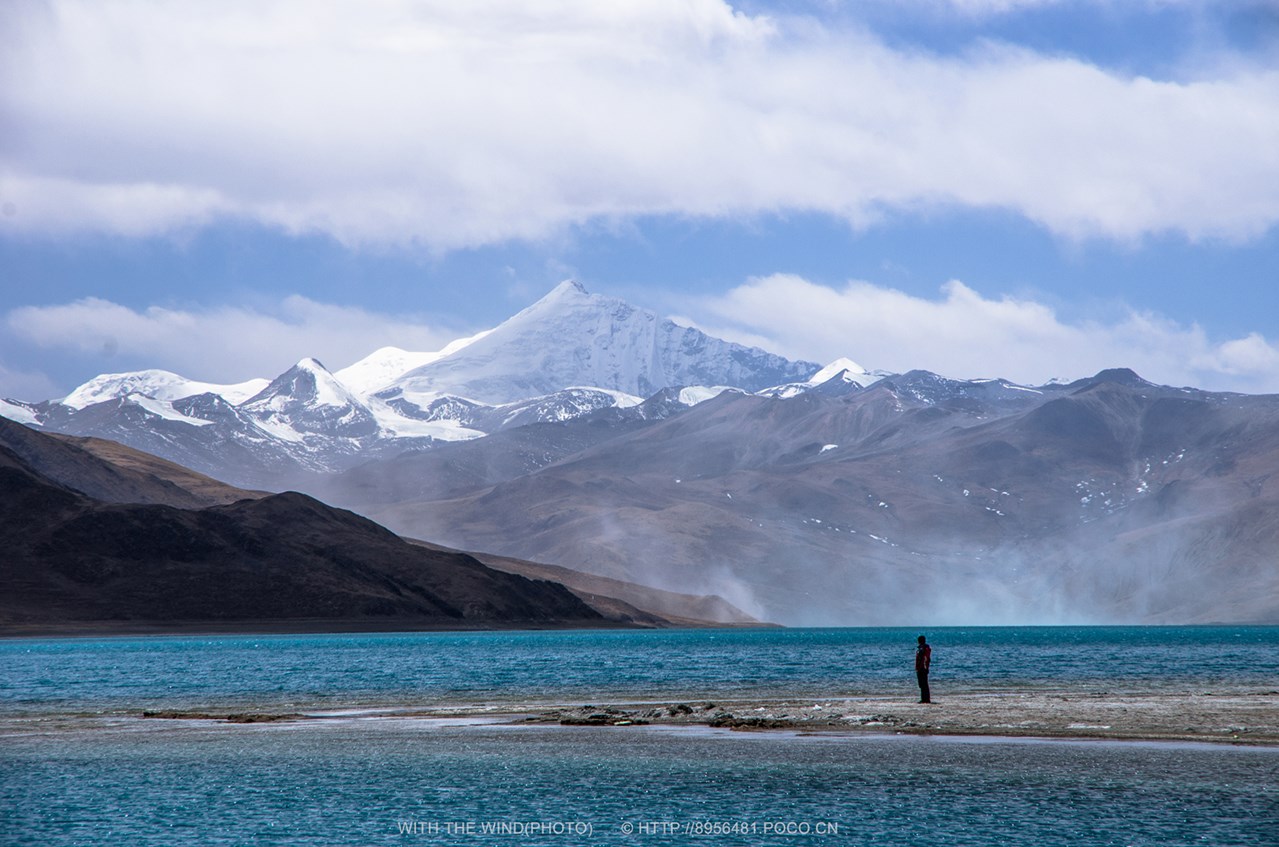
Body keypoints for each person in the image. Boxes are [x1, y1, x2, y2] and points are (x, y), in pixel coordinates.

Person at [915, 635, 932, 703]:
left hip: (922, 668)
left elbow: (926, 659)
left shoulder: (924, 649)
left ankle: (925, 699)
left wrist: (925, 667)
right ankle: (924, 698)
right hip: (921, 668)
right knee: (922, 684)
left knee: (923, 684)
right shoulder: (922, 648)